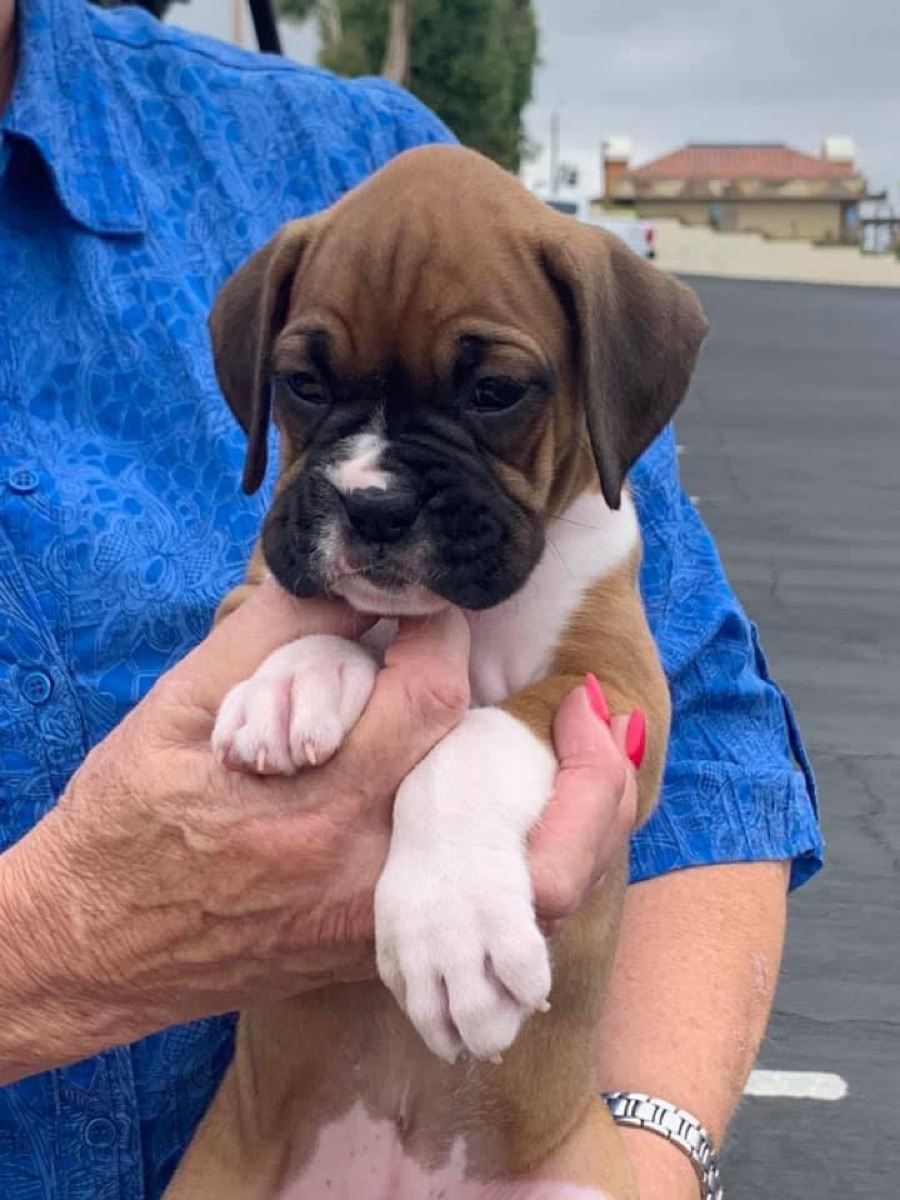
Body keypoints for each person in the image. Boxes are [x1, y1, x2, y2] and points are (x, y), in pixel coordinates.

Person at [0, 1, 822, 1197]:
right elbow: (256, 638)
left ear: (608, 383)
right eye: (311, 397)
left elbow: (686, 737)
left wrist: (645, 1158)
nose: (372, 482)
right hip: (256, 1154)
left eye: (489, 398)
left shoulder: (337, 149)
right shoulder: (306, 263)